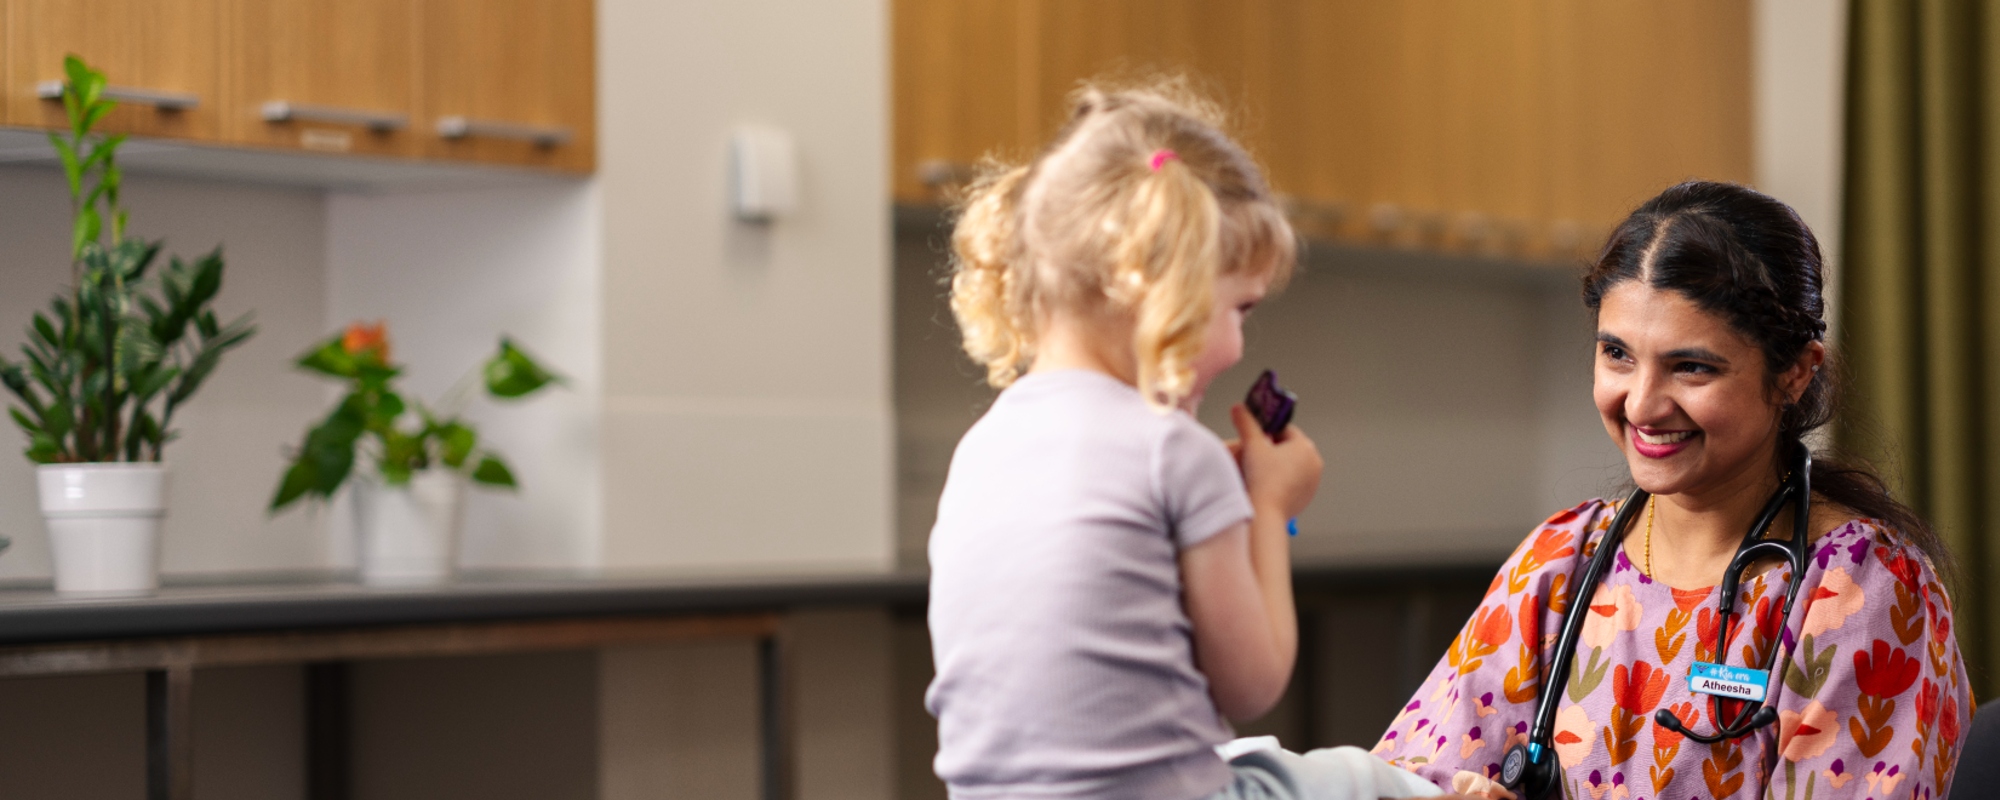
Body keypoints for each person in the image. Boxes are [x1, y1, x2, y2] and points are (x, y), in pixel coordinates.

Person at [926, 82, 1447, 800]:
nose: (1238, 346)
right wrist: (1267, 507)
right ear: (1162, 291)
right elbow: (1252, 681)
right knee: (1358, 777)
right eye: (1240, 308)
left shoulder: (981, 447)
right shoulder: (1174, 449)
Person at [1371, 181, 1972, 799]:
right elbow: (1400, 779)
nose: (1643, 404)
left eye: (1692, 367)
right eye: (1617, 355)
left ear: (1795, 372)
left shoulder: (1863, 591)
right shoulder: (1558, 565)